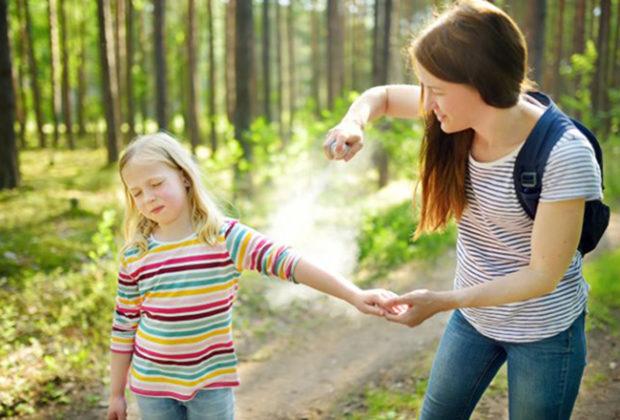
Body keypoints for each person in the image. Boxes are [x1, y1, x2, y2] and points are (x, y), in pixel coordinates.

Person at [324, 1, 602, 419]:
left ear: (481, 83)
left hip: (544, 331)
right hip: (474, 320)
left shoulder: (564, 155)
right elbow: (378, 97)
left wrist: (443, 300)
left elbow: (543, 275)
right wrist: (353, 123)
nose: (427, 102)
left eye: (435, 89)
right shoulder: (454, 116)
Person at [106, 132, 396, 420]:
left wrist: (354, 295)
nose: (148, 197)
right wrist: (117, 394)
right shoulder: (136, 255)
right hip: (152, 387)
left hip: (210, 385)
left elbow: (290, 262)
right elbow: (124, 327)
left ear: (183, 176)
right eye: (137, 192)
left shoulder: (224, 237)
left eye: (156, 183)